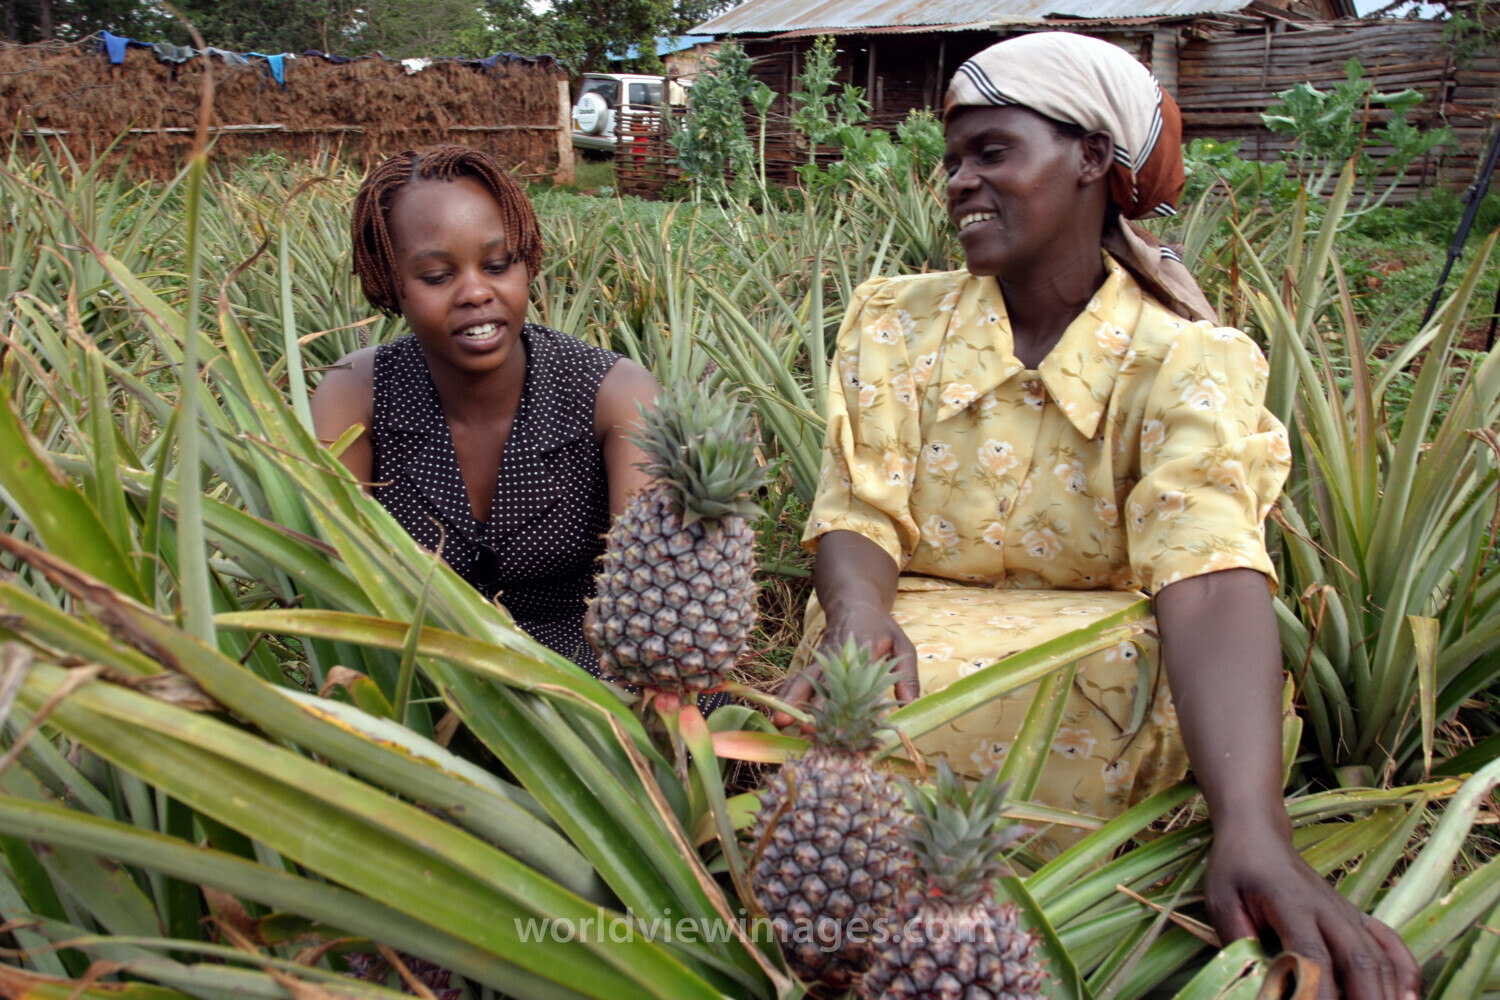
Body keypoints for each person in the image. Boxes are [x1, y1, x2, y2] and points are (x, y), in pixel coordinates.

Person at [776, 32, 1419, 1000]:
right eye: (951, 160)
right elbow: (859, 504)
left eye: (992, 152)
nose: (958, 181)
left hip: (1101, 678)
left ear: (1088, 158)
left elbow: (1205, 570)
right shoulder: (895, 320)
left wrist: (1255, 827)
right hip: (898, 645)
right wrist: (862, 614)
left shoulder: (1185, 358)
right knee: (845, 685)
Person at [309, 144, 661, 676]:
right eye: (435, 276)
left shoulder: (613, 391)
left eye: (498, 265)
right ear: (390, 281)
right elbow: (333, 571)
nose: (476, 291)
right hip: (418, 674)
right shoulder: (354, 390)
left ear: (527, 263)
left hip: (593, 678)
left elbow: (648, 591)